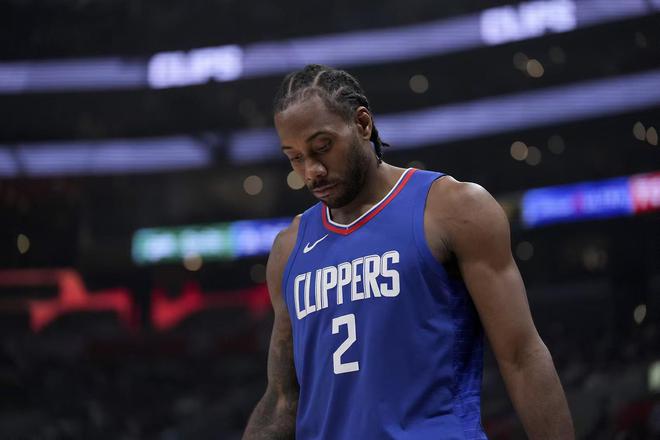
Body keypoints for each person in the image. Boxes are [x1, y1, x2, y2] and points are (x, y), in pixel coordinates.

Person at [243, 64, 574, 439]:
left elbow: (522, 357)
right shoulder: (289, 248)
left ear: (362, 124)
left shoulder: (452, 208)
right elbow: (282, 400)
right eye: (295, 157)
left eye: (322, 147)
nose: (311, 171)